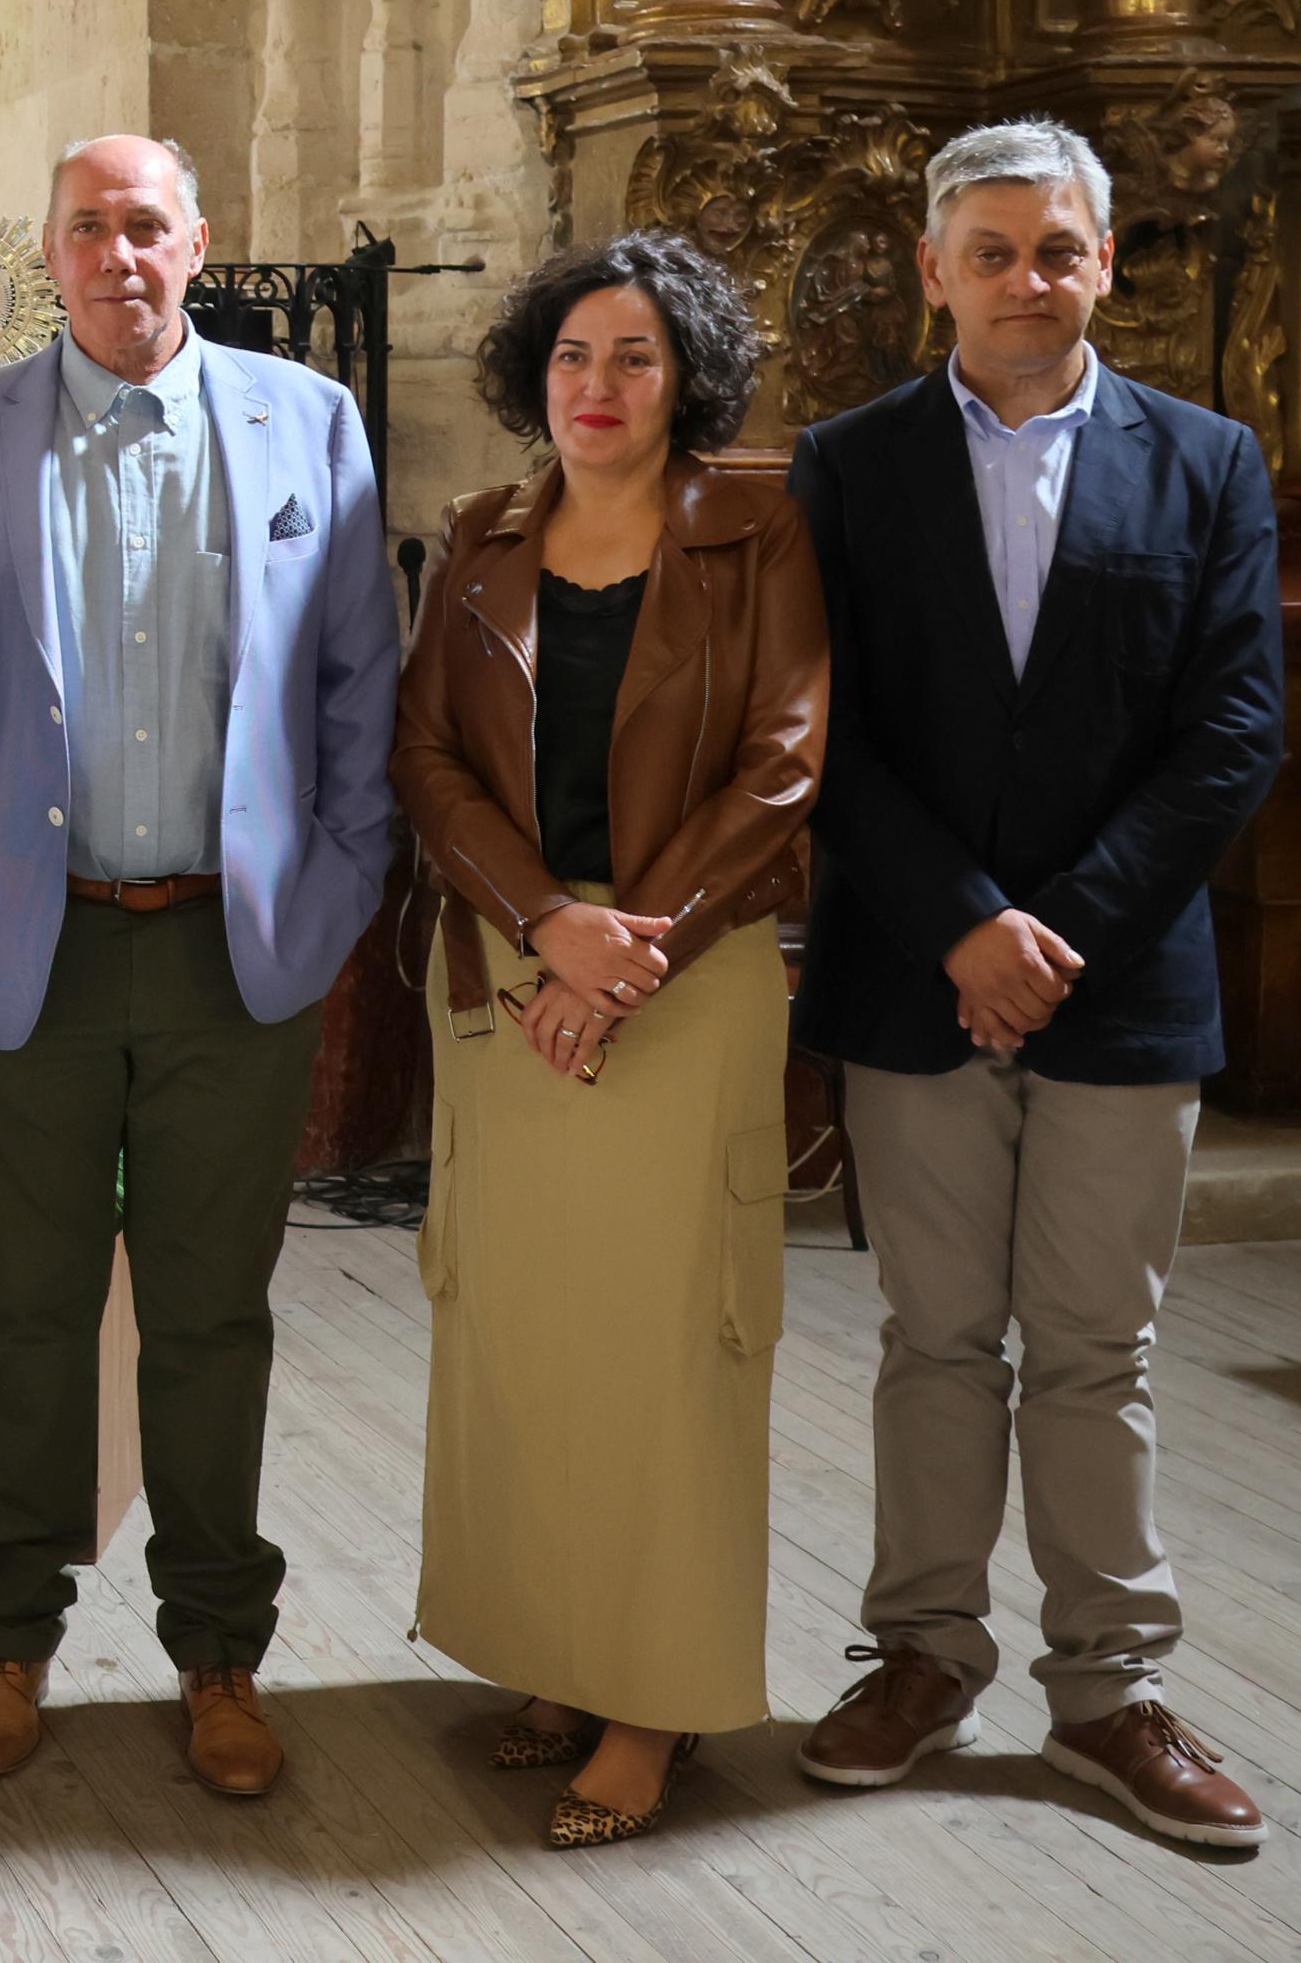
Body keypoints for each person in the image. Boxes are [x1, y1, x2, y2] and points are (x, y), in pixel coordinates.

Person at [0, 133, 397, 1801]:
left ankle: (217, 1649)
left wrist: (331, 890)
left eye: (143, 226)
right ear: (46, 252)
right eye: (85, 226)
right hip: (24, 948)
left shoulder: (305, 424)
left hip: (227, 956)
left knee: (208, 1318)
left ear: (199, 245)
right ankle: (9, 1635)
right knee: (23, 1316)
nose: (115, 253)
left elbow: (351, 689)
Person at [787, 119, 1286, 1852]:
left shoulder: (1207, 461)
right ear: (931, 271)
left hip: (1123, 981)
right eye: (987, 251)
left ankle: (1108, 1695)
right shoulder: (842, 470)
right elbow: (818, 734)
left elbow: (1232, 729)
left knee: (1096, 1347)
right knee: (934, 1338)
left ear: (1099, 262)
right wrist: (957, 926)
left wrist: (1054, 930)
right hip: (915, 970)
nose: (1023, 281)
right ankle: (920, 1654)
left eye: (1053, 249)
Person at [392, 231, 828, 1849]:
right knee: (522, 1336)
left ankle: (653, 1703)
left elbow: (781, 766)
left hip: (682, 973)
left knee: (666, 1352)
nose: (596, 386)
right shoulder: (482, 541)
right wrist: (542, 927)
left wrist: (622, 949)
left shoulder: (755, 536)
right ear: (533, 375)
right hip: (513, 978)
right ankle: (554, 1659)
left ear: (684, 379)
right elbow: (425, 762)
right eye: (573, 356)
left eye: (633, 358)